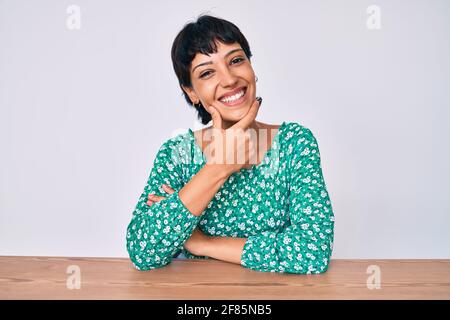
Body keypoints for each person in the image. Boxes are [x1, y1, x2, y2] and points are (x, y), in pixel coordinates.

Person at [125, 14, 335, 274]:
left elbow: (313, 252)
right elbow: (143, 252)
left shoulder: (294, 143)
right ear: (191, 92)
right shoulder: (177, 153)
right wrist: (218, 167)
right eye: (207, 72)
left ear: (252, 68)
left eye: (236, 60)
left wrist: (204, 244)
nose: (229, 79)